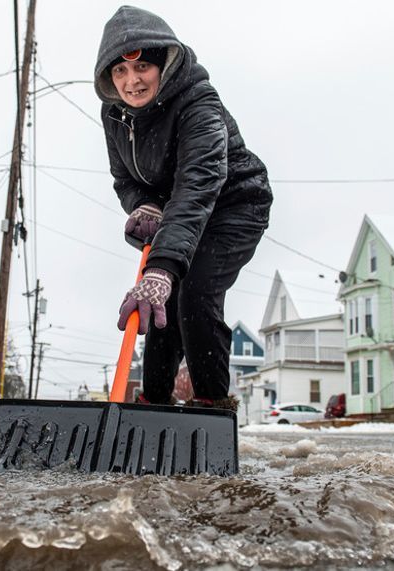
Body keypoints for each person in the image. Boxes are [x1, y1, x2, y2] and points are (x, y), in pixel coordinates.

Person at [95, 6, 273, 410]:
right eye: (119, 72)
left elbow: (199, 182)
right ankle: (152, 409)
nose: (131, 81)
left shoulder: (198, 102)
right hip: (179, 212)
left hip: (234, 206)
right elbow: (126, 178)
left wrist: (163, 266)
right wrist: (143, 205)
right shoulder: (115, 116)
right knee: (162, 311)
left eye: (141, 67)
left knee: (191, 294)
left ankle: (212, 410)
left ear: (165, 62)